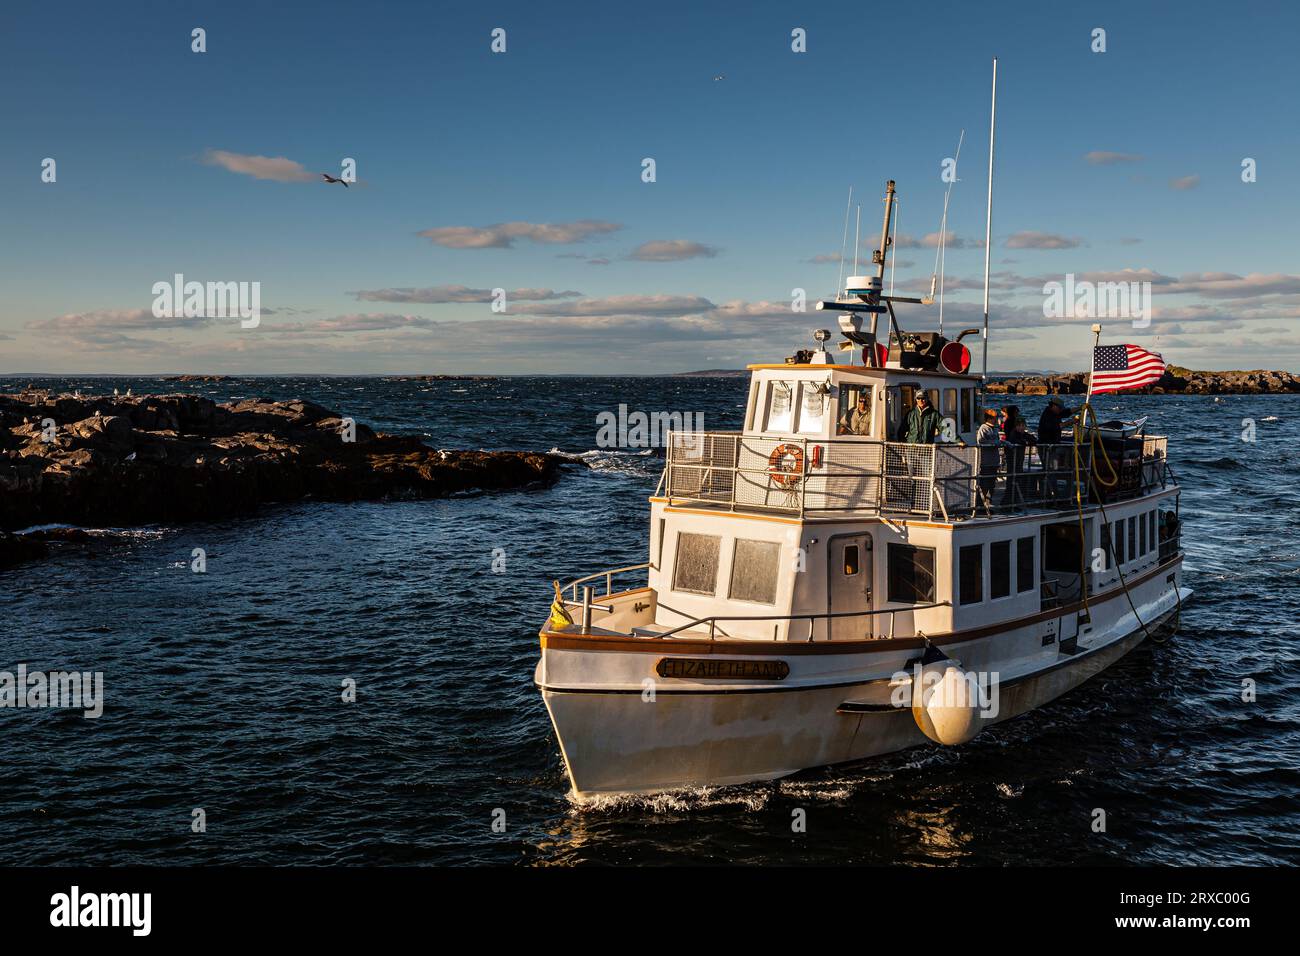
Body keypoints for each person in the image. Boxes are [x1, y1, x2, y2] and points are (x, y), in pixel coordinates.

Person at [975, 408, 1001, 507]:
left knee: (992, 485)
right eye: (994, 418)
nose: (996, 420)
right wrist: (994, 443)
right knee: (984, 484)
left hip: (994, 461)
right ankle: (980, 505)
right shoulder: (983, 428)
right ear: (988, 418)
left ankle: (989, 504)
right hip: (986, 462)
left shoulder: (995, 429)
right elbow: (981, 441)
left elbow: (997, 441)